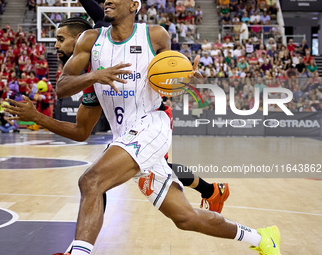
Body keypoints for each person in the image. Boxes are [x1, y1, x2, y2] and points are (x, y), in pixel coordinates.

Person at [58, 1, 280, 254]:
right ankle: (262, 239)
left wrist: (184, 76)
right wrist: (94, 76)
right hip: (124, 135)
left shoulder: (155, 35)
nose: (107, 1)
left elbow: (170, 76)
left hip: (151, 125)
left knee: (91, 181)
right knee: (185, 218)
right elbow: (62, 87)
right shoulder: (90, 39)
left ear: (133, 5)